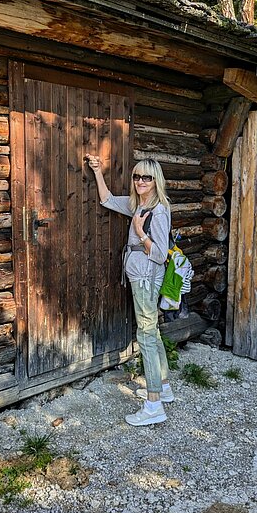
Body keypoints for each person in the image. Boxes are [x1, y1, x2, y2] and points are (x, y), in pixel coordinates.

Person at [85, 155, 174, 427]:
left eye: (146, 177)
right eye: (136, 176)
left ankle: (154, 404)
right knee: (152, 331)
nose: (140, 182)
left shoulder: (157, 210)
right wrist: (98, 172)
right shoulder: (139, 204)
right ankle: (165, 386)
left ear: (155, 180)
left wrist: (140, 231)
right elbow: (108, 200)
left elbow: (159, 254)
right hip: (139, 275)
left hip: (147, 277)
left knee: (145, 335)